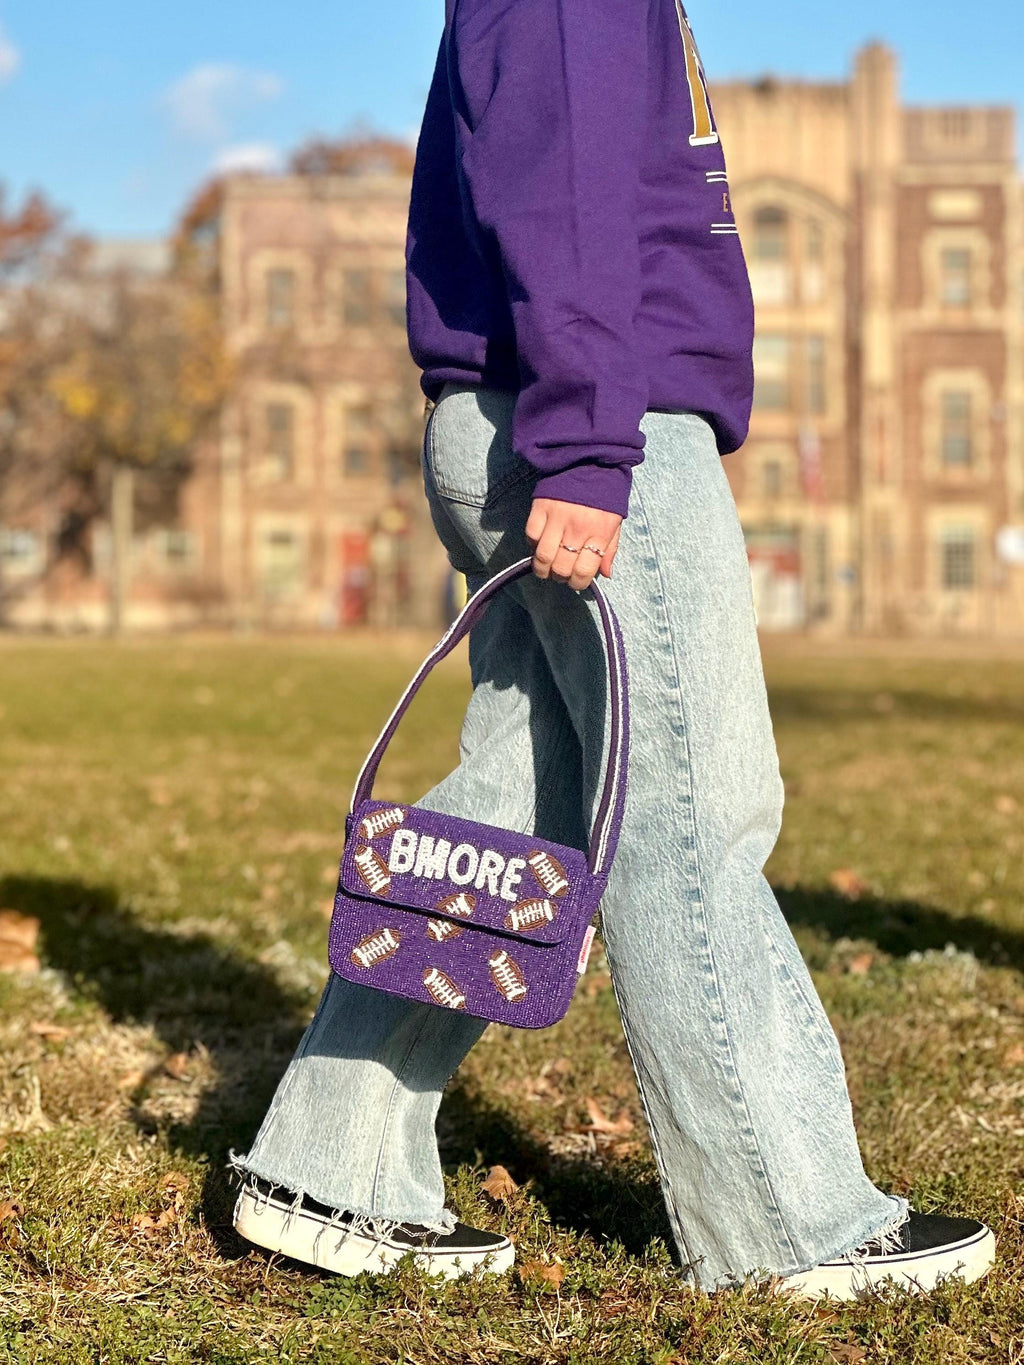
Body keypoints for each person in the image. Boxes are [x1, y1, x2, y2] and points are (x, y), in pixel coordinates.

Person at [230, 0, 995, 1297]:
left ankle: (331, 1159)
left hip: (528, 415)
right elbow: (566, 182)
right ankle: (781, 1214)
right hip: (592, 429)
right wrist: (590, 439)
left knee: (516, 816)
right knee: (698, 811)